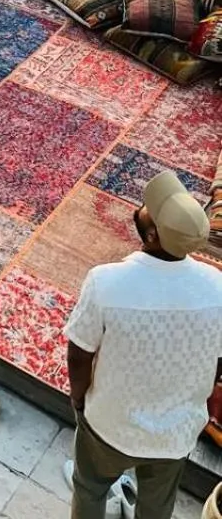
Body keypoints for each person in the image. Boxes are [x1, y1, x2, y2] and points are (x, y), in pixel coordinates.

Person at [65, 169, 222, 519]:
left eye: (151, 208)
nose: (144, 205)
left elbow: (79, 352)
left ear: (152, 235)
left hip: (108, 424)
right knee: (156, 506)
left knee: (90, 488)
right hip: (175, 435)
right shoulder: (218, 288)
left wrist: (79, 399)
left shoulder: (106, 282)